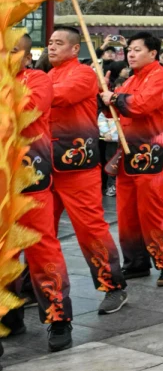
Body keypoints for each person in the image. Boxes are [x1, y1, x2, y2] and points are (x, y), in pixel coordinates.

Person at [0, 33, 74, 353]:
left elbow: (27, 110)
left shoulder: (38, 80)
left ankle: (58, 318)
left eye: (13, 51)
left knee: (42, 249)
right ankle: (10, 315)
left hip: (31, 178)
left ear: (28, 57)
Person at [46, 27, 127, 313]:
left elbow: (58, 96)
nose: (51, 47)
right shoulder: (47, 76)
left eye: (58, 43)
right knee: (41, 233)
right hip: (46, 166)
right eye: (50, 43)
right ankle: (39, 287)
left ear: (74, 49)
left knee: (90, 229)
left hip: (77, 166)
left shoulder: (83, 74)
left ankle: (113, 286)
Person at [101, 32, 163, 286]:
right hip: (127, 153)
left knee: (151, 211)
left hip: (152, 152)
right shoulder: (131, 80)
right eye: (129, 50)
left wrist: (113, 98)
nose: (130, 54)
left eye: (136, 50)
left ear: (153, 53)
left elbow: (140, 105)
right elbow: (114, 113)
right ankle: (136, 262)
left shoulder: (162, 76)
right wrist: (104, 95)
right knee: (127, 213)